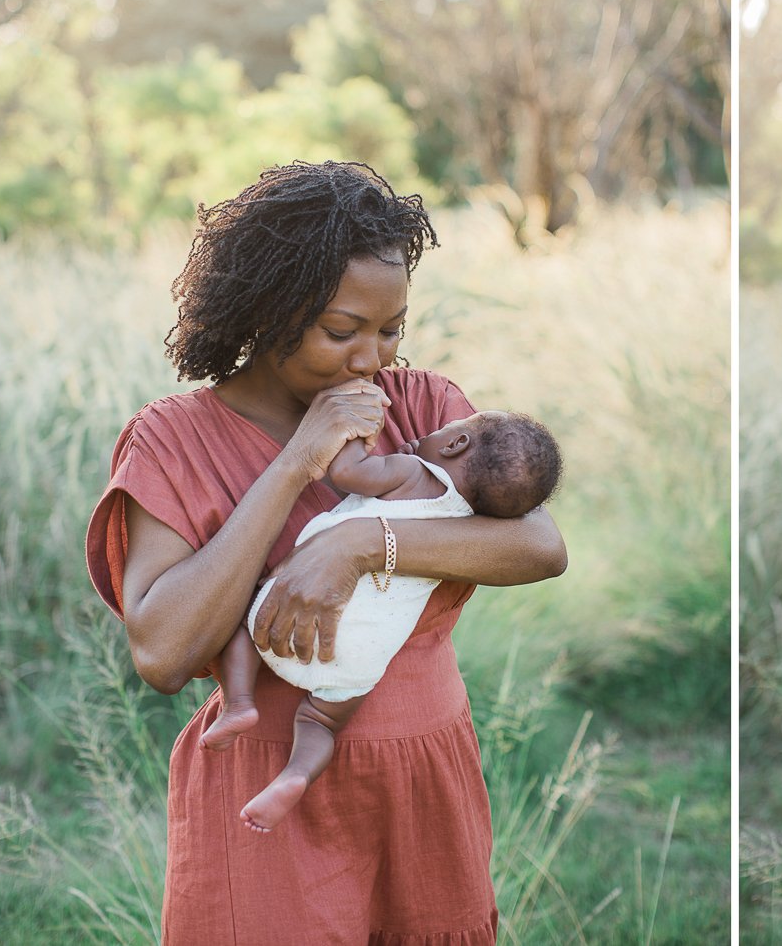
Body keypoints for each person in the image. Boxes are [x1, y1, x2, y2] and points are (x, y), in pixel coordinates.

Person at [86, 161, 568, 945]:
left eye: (390, 329)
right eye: (342, 331)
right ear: (268, 310)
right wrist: (295, 464)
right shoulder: (174, 438)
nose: (371, 359)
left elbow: (540, 544)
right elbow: (163, 650)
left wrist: (356, 542)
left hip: (423, 778)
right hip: (268, 785)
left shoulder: (423, 407)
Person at [200, 409, 563, 834]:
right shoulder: (470, 527)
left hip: (292, 615)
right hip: (361, 659)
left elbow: (349, 472)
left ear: (455, 444)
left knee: (244, 627)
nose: (424, 434)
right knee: (320, 722)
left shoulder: (411, 472)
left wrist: (358, 428)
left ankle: (239, 703)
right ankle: (295, 774)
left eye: (440, 430)